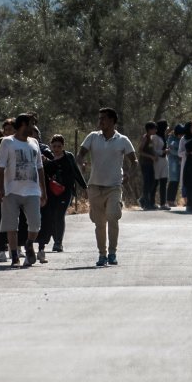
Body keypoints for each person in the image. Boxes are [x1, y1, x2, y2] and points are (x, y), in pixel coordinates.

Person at [77, 107, 138, 266]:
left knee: (112, 216)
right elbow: (80, 154)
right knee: (99, 223)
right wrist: (81, 162)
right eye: (99, 118)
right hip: (95, 187)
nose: (100, 121)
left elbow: (134, 161)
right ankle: (102, 254)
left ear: (112, 120)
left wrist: (129, 174)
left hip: (114, 186)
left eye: (103, 118)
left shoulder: (122, 140)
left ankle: (112, 253)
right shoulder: (92, 137)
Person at [0, 113, 47, 267]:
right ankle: (14, 258)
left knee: (35, 223)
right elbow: (0, 168)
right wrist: (1, 189)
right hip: (11, 190)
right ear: (24, 124)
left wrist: (43, 191)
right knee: (11, 225)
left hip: (32, 191)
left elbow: (40, 167)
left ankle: (29, 243)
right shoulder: (7, 142)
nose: (34, 127)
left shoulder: (34, 143)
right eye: (32, 124)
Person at [37, 134, 88, 260]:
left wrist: (84, 187)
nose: (57, 149)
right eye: (54, 146)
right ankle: (55, 240)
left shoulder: (68, 156)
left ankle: (58, 243)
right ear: (51, 146)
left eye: (59, 146)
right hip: (51, 191)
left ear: (63, 146)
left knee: (59, 215)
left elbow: (76, 172)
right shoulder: (47, 157)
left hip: (66, 191)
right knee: (52, 215)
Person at [138, 121, 159, 210]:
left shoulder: (151, 138)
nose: (156, 130)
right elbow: (140, 151)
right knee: (147, 183)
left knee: (152, 182)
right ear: (149, 129)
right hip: (145, 163)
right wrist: (150, 156)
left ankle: (143, 199)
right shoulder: (145, 138)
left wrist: (154, 155)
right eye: (154, 128)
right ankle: (146, 204)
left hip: (150, 163)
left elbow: (150, 149)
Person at [166, 124, 185, 207]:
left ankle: (172, 200)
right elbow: (171, 150)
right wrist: (179, 154)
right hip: (173, 162)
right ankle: (170, 200)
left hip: (179, 163)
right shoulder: (172, 139)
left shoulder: (181, 139)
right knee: (173, 181)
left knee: (177, 181)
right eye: (180, 134)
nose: (181, 136)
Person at [154, 120, 170, 210]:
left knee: (164, 181)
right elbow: (154, 150)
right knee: (155, 182)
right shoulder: (155, 137)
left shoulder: (164, 136)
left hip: (164, 160)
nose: (167, 128)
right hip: (157, 161)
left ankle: (163, 203)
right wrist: (163, 151)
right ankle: (149, 201)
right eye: (166, 126)